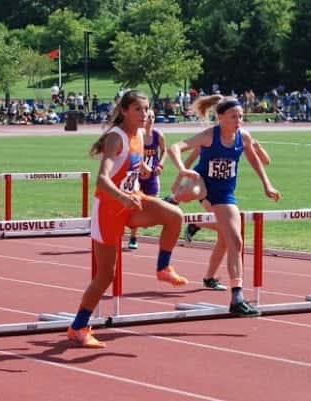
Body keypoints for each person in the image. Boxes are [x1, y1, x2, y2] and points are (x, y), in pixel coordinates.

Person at [67, 90, 187, 348]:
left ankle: (163, 267)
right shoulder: (115, 138)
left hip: (133, 200)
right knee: (105, 276)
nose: (144, 114)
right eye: (138, 110)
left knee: (175, 215)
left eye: (146, 109)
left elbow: (132, 165)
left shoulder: (141, 135)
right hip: (110, 209)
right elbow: (102, 179)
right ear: (124, 111)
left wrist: (141, 168)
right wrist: (122, 197)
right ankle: (78, 327)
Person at [167, 94, 281, 316]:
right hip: (203, 182)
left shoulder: (243, 137)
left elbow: (257, 161)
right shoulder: (210, 135)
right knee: (194, 190)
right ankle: (172, 200)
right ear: (221, 118)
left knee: (235, 241)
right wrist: (181, 170)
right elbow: (175, 147)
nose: (238, 120)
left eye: (240, 116)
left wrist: (267, 185)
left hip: (225, 193)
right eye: (233, 116)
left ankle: (237, 296)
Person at [128, 109, 167, 250]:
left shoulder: (158, 135)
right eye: (148, 116)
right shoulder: (138, 135)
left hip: (152, 175)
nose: (150, 119)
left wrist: (160, 164)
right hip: (138, 175)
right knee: (136, 205)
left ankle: (164, 236)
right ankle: (133, 236)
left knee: (155, 204)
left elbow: (165, 150)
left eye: (153, 117)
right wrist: (141, 167)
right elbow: (133, 153)